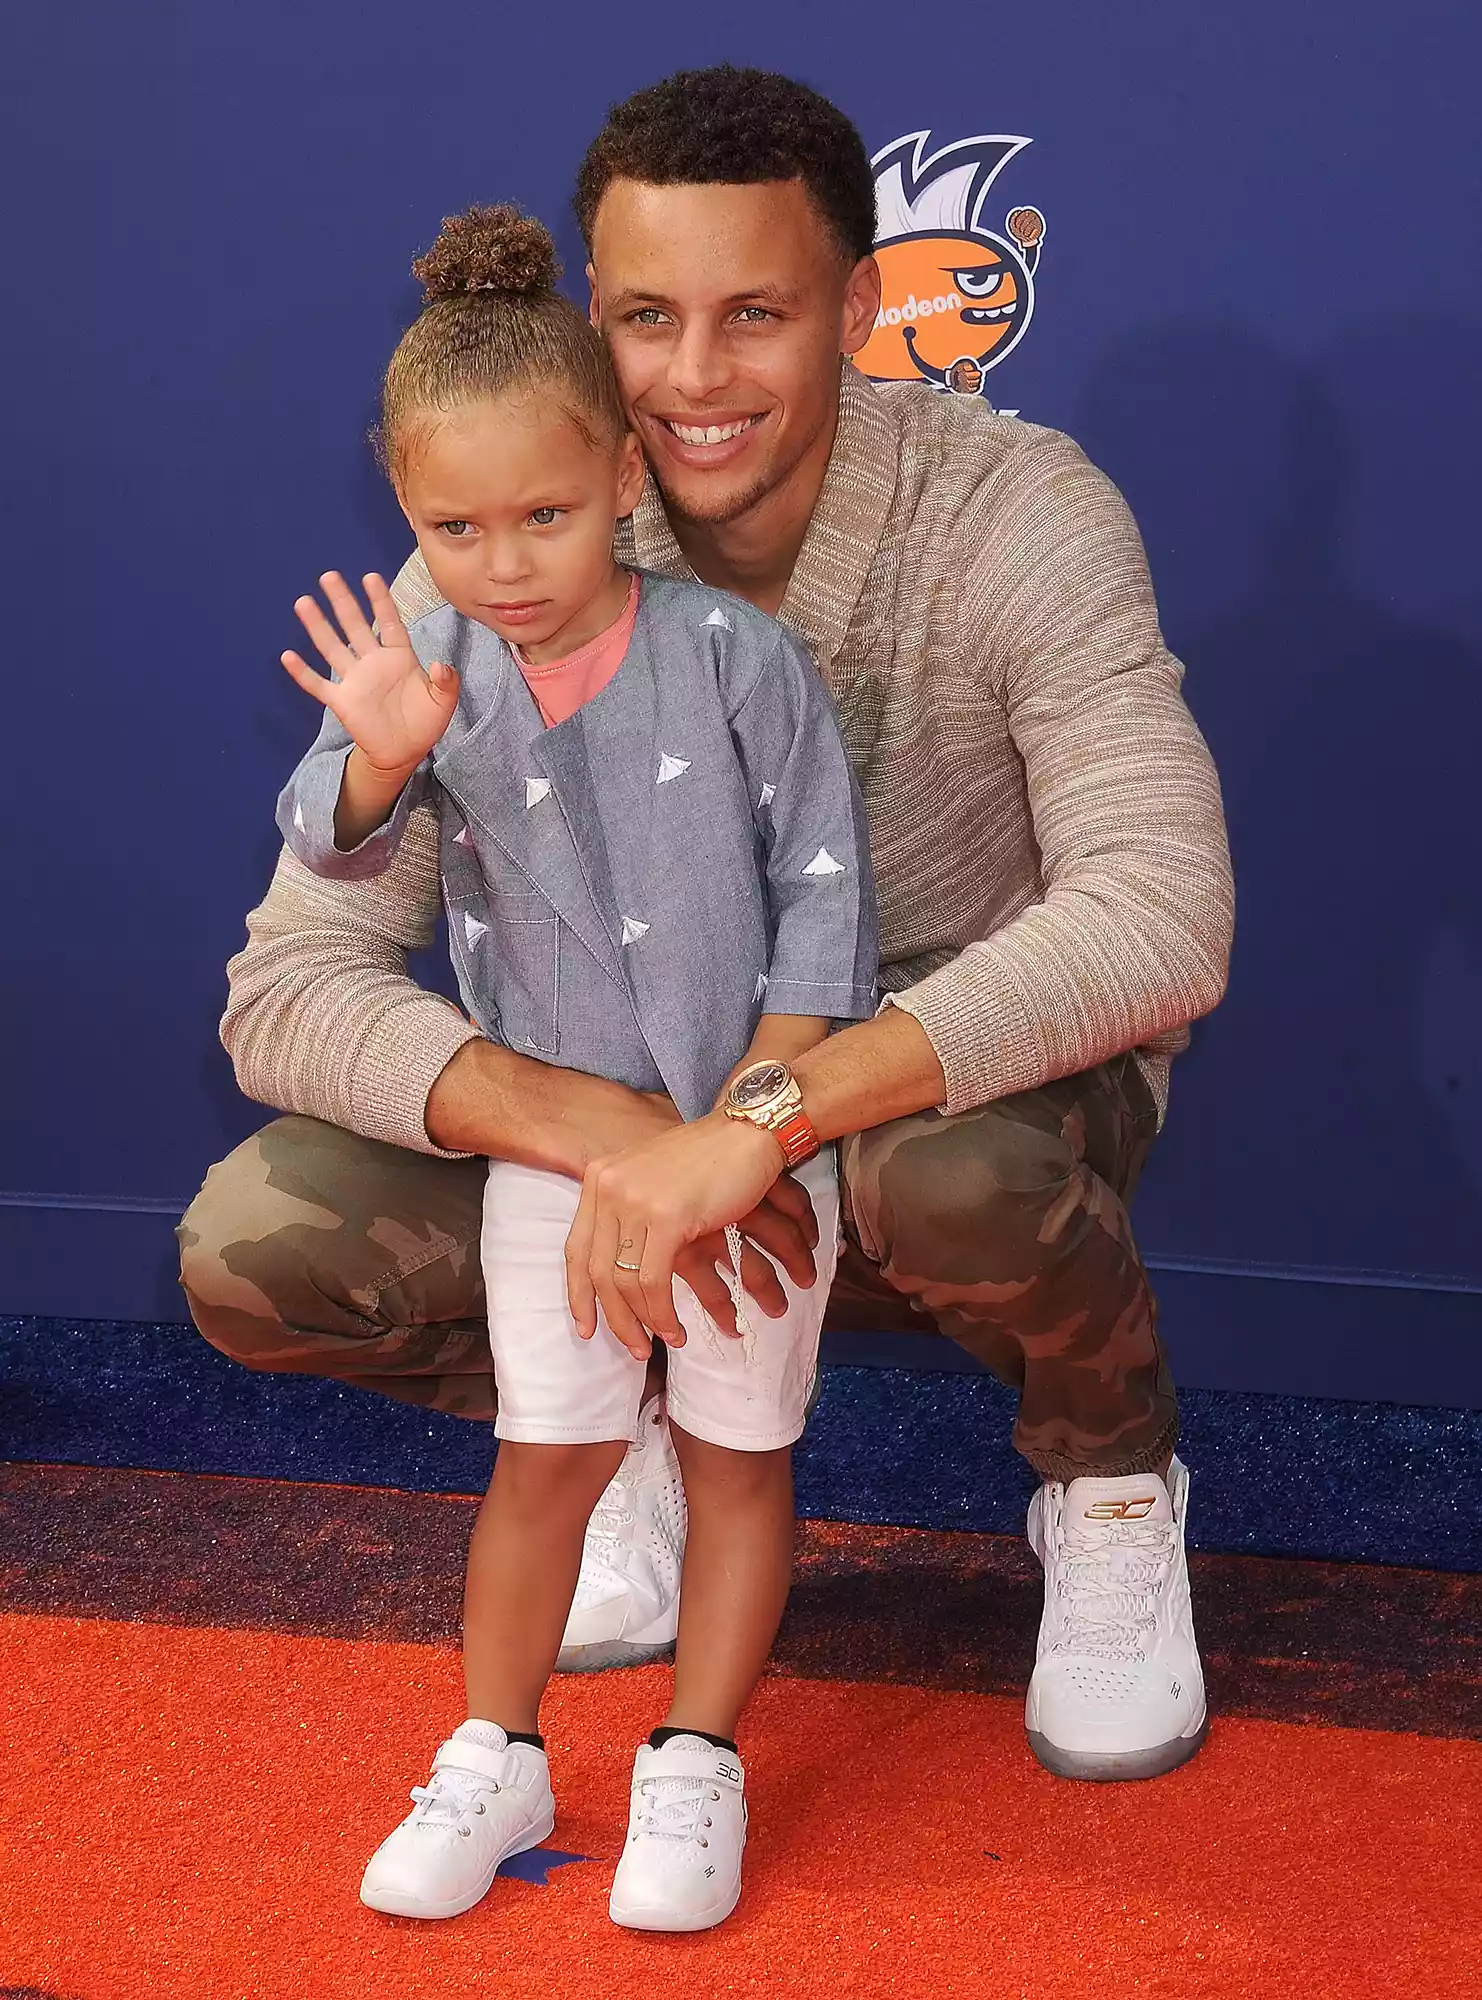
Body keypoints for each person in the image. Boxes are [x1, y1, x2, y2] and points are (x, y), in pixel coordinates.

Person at [180, 66, 1234, 1789]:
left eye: (755, 314)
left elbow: (1162, 912)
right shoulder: (503, 545)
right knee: (252, 1246)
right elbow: (286, 986)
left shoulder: (1021, 514)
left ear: (863, 307)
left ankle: (1108, 1477)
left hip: (943, 1078)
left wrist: (765, 1121)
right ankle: (634, 1417)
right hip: (633, 1097)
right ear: (588, 314)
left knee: (943, 1176)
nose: (690, 377)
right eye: (647, 316)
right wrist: (619, 1137)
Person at [274, 202, 876, 1930]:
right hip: (545, 1167)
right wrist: (382, 766)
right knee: (548, 1452)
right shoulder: (425, 669)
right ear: (406, 518)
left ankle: (696, 1759)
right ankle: (496, 1746)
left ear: (624, 473)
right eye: (454, 527)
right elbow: (320, 846)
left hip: (755, 1147)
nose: (507, 560)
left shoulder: (740, 662)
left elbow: (821, 927)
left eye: (544, 512)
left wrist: (747, 1144)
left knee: (742, 1457)